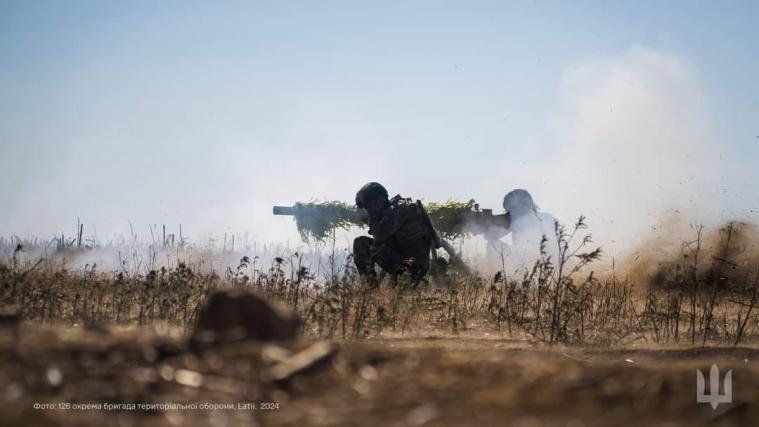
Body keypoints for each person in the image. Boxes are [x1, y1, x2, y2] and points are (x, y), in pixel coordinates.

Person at [352, 182, 434, 286]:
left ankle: (369, 288)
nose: (369, 210)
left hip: (411, 267)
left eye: (369, 205)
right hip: (410, 264)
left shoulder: (395, 211)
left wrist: (373, 218)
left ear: (380, 199)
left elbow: (379, 235)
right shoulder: (395, 208)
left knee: (361, 243)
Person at [487, 189, 559, 272]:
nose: (508, 213)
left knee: (491, 244)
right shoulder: (548, 217)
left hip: (528, 264)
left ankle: (496, 281)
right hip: (553, 265)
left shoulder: (517, 220)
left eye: (510, 209)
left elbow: (491, 236)